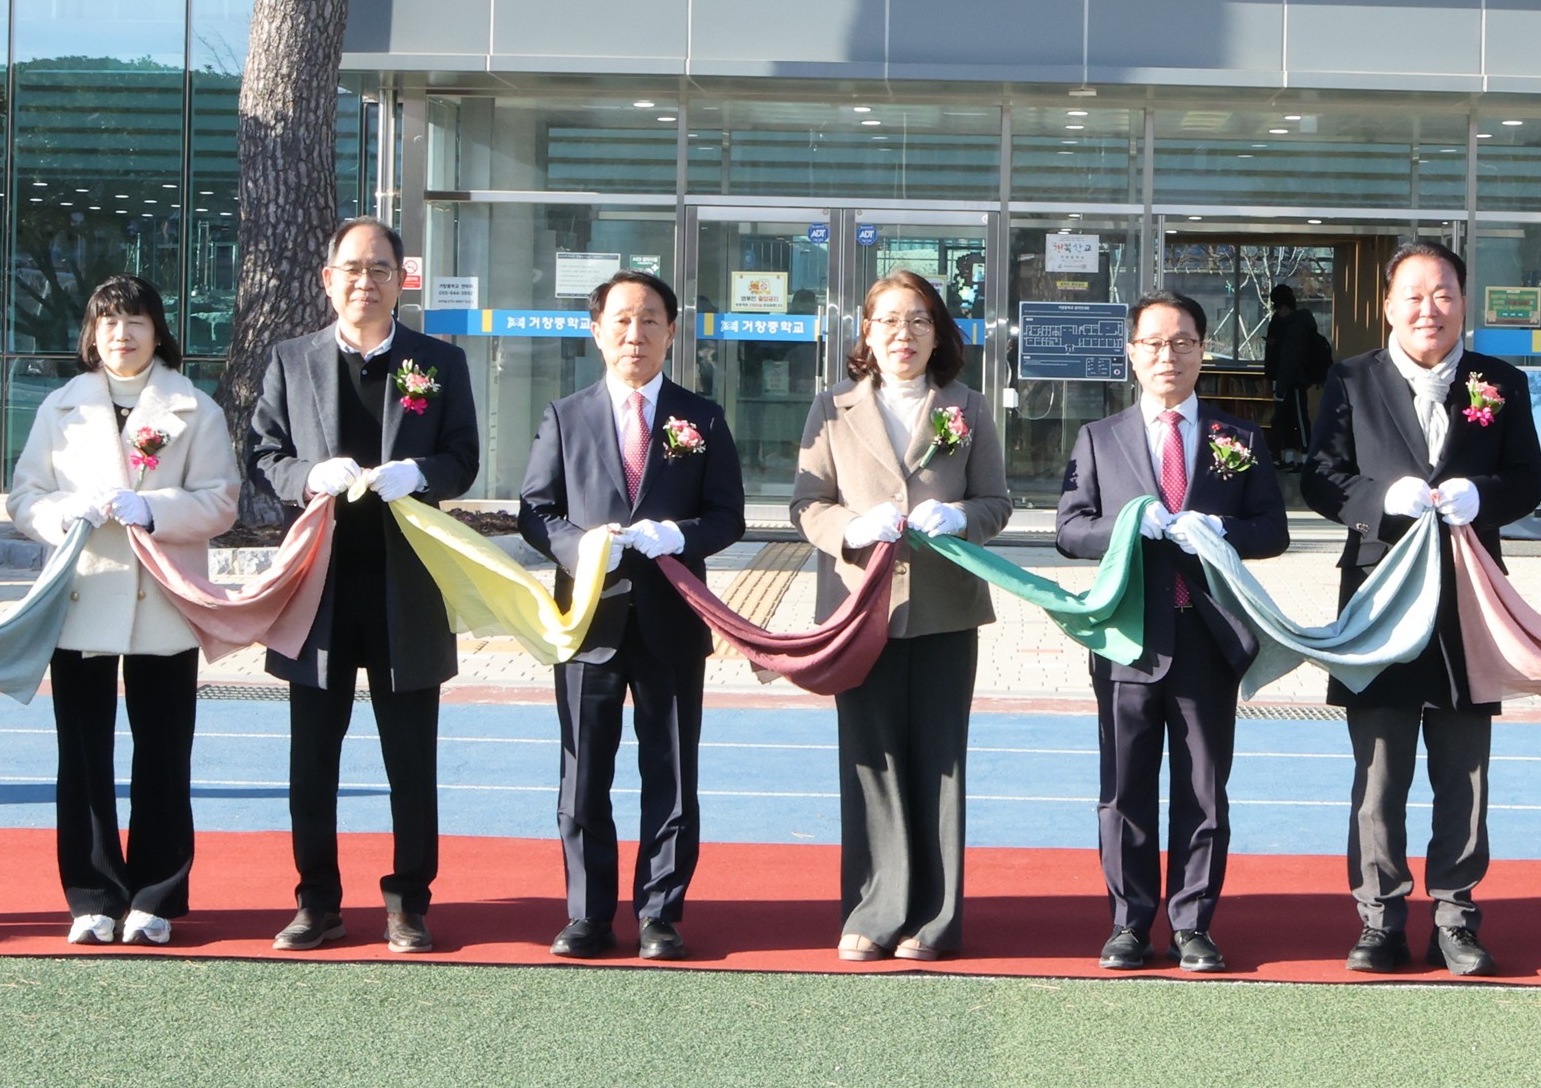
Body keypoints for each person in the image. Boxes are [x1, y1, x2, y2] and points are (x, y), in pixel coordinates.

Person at [1300, 240, 1541, 978]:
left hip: (1470, 599)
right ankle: (1378, 917)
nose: (1427, 308)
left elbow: (1528, 477)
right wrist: (1380, 501)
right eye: (1412, 294)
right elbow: (1320, 477)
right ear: (1387, 305)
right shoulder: (1352, 380)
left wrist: (1484, 497)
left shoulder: (1497, 380)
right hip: (1380, 595)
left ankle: (1457, 916)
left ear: (1463, 301)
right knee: (1379, 771)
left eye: (1441, 293)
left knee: (1465, 770)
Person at [246, 217, 484, 953]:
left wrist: (424, 474)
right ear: (328, 278)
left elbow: (463, 456)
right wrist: (303, 476)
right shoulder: (291, 359)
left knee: (410, 756)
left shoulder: (437, 360)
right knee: (311, 757)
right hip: (317, 590)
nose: (365, 281)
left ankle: (409, 899)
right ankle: (317, 898)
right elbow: (264, 451)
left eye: (381, 268)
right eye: (352, 267)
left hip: (405, 587)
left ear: (401, 278)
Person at [1052, 290, 1290, 975]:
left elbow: (1272, 528)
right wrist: (1129, 525)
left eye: (1182, 341)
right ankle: (1128, 923)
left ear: (1202, 350)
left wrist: (1222, 530)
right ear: (1131, 353)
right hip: (1128, 637)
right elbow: (1070, 529)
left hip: (1208, 638)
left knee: (1204, 788)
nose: (1168, 354)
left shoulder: (1238, 439)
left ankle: (1192, 923)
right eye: (1153, 342)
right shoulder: (1100, 438)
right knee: (1124, 788)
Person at [517, 272, 747, 960]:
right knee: (583, 775)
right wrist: (578, 547)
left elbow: (728, 513)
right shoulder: (566, 414)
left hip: (672, 620)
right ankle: (587, 915)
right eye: (620, 319)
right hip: (588, 621)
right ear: (596, 330)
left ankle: (659, 913)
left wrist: (679, 536)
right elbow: (535, 509)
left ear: (672, 331)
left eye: (650, 320)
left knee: (671, 775)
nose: (634, 334)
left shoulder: (699, 417)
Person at [7, 275, 241, 947]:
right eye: (108, 322)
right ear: (90, 333)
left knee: (163, 752)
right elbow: (25, 496)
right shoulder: (60, 406)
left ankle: (156, 893)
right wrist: (61, 511)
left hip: (164, 599)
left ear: (158, 330)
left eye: (135, 320)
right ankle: (91, 895)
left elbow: (221, 499)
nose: (121, 333)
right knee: (82, 755)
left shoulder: (194, 407)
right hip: (83, 596)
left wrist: (155, 509)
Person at [791, 269, 1012, 962]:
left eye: (918, 320)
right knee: (870, 761)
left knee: (941, 764)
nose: (903, 334)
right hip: (862, 613)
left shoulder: (967, 407)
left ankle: (937, 918)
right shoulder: (832, 408)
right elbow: (807, 502)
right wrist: (852, 528)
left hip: (947, 612)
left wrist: (961, 516)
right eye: (888, 320)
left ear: (938, 331)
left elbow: (997, 502)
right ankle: (875, 908)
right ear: (866, 333)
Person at [1263, 281, 1332, 452]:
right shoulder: (1300, 324)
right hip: (1296, 380)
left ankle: (1298, 456)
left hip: (1291, 381)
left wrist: (1279, 386)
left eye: (1278, 308)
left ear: (1284, 307)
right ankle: (1297, 457)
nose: (1276, 311)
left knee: (1290, 420)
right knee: (1295, 419)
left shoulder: (1291, 328)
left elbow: (1288, 359)